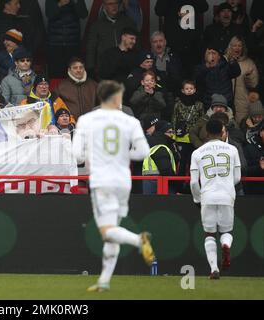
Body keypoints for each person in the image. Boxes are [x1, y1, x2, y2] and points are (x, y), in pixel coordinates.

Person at [72, 80, 155, 292]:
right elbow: (144, 152)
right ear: (117, 97)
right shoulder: (131, 121)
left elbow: (77, 155)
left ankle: (139, 240)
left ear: (100, 97)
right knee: (113, 228)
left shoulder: (86, 120)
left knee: (107, 231)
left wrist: (93, 155)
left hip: (102, 181)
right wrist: (122, 155)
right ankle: (104, 281)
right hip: (123, 182)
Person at [190, 119, 241, 279]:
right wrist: (227, 186)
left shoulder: (197, 152)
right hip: (227, 194)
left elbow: (193, 182)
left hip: (208, 195)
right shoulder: (232, 149)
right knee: (226, 231)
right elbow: (238, 177)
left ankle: (214, 269)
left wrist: (198, 199)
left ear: (206, 132)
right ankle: (225, 245)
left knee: (209, 234)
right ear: (222, 132)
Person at [154, 0, 208, 78]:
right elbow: (159, 11)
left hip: (193, 45)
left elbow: (204, 7)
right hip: (173, 44)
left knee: (193, 77)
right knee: (174, 75)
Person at [86, 0, 137, 76]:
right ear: (104, 6)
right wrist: (90, 69)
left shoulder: (128, 22)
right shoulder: (96, 26)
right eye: (110, 4)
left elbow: (137, 45)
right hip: (105, 69)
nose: (114, 6)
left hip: (126, 69)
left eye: (116, 3)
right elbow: (91, 48)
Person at [45, 0, 88, 78]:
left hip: (73, 44)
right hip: (55, 44)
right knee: (55, 75)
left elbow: (84, 14)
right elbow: (49, 14)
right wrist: (60, 3)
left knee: (74, 75)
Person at [172, 80, 204, 177]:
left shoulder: (199, 104)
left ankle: (190, 185)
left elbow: (202, 120)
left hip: (194, 137)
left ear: (194, 90)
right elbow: (174, 118)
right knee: (181, 162)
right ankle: (180, 185)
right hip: (181, 137)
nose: (189, 90)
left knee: (192, 162)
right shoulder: (178, 104)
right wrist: (173, 134)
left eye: (191, 88)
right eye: (187, 89)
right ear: (182, 90)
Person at [195, 44, 241, 111]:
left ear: (219, 56)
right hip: (209, 105)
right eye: (209, 53)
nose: (211, 56)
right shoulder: (201, 68)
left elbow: (236, 72)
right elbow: (197, 81)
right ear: (205, 56)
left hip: (226, 104)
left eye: (213, 53)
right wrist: (207, 66)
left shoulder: (225, 66)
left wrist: (232, 60)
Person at [226, 36, 259, 124]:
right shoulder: (224, 61)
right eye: (234, 45)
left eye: (239, 46)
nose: (237, 48)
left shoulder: (249, 63)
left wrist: (248, 76)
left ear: (243, 48)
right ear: (230, 47)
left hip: (242, 103)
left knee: (242, 128)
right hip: (226, 102)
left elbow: (253, 84)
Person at [142, 121, 178, 194]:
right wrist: (178, 186)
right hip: (160, 187)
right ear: (162, 133)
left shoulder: (155, 144)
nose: (172, 135)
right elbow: (166, 171)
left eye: (173, 132)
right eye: (169, 132)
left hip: (151, 186)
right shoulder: (160, 147)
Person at [243, 124, 264, 194]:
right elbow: (244, 169)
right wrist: (259, 166)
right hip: (254, 191)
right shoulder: (249, 148)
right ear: (261, 133)